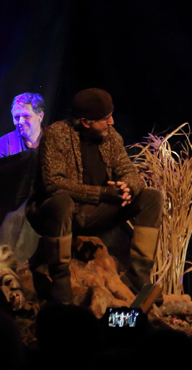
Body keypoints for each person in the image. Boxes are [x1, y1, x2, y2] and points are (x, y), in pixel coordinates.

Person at [26, 88, 163, 304]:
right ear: (86, 122)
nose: (111, 122)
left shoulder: (111, 138)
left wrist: (127, 187)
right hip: (58, 214)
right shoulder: (56, 135)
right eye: (105, 118)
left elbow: (130, 172)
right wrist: (102, 194)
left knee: (151, 197)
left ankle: (138, 275)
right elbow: (54, 184)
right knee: (61, 202)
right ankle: (60, 280)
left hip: (95, 213)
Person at [0, 93, 45, 158]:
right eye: (17, 117)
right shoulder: (3, 144)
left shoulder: (54, 141)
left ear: (40, 116)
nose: (20, 122)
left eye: (26, 116)